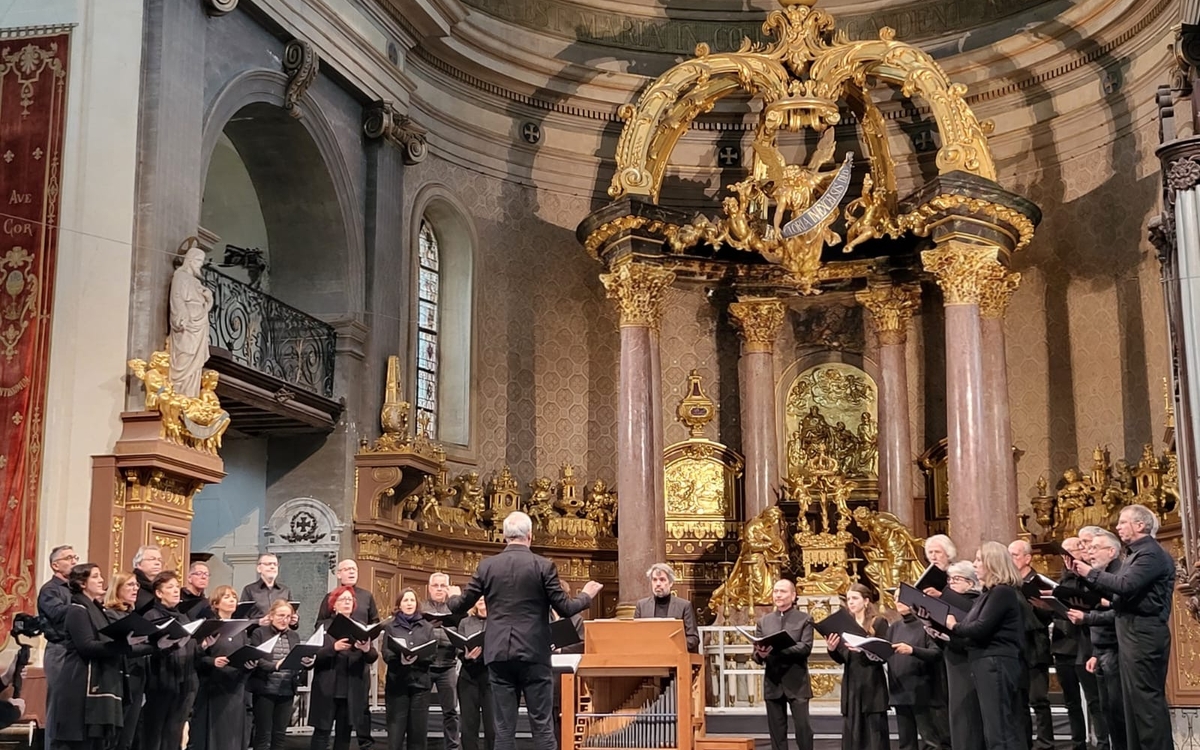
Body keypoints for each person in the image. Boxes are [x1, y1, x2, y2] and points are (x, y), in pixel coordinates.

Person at [445, 511, 602, 750]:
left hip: (498, 654)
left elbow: (459, 606)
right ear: (530, 535)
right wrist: (586, 595)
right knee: (541, 725)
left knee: (504, 729)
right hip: (534, 653)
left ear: (505, 536)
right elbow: (566, 607)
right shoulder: (543, 565)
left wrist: (452, 595)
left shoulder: (487, 566)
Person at [1067, 504, 1175, 750]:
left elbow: (1126, 585)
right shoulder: (1135, 555)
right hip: (1132, 633)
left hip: (1144, 633)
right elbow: (1120, 596)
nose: (1117, 527)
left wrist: (1090, 574)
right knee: (1133, 705)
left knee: (1146, 704)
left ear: (1140, 525)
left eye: (1123, 522)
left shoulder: (1151, 554)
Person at [945, 541, 1024, 750]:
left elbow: (980, 628)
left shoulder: (1002, 592)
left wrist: (953, 625)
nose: (975, 564)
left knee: (1000, 728)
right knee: (993, 727)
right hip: (985, 662)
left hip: (996, 662)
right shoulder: (987, 595)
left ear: (992, 563)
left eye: (979, 559)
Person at [51, 563, 133, 750]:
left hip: (97, 680)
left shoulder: (97, 610)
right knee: (80, 744)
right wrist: (122, 644)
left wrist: (154, 645)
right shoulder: (77, 609)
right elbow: (86, 646)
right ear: (81, 583)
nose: (101, 580)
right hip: (80, 685)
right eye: (95, 576)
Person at [1069, 530, 1125, 750]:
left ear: (1111, 551)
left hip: (1116, 649)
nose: (1089, 552)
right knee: (1107, 709)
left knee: (1117, 710)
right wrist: (1095, 652)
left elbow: (1120, 613)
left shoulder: (1118, 574)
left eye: (1094, 548)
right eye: (1087, 547)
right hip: (1102, 650)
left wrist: (1087, 617)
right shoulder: (1104, 575)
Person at [315, 560, 379, 750]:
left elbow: (372, 655)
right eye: (342, 600)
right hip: (328, 685)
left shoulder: (359, 625)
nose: (347, 603)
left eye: (349, 601)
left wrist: (366, 648)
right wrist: (333, 648)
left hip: (351, 685)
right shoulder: (324, 626)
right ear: (333, 605)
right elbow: (314, 655)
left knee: (344, 735)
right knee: (322, 733)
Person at [823, 583, 889, 750]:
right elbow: (842, 658)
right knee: (852, 731)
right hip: (852, 682)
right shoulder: (845, 625)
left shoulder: (878, 622)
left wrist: (864, 649)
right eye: (848, 599)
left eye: (854, 598)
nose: (850, 602)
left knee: (874, 732)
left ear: (866, 601)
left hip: (871, 682)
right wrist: (832, 649)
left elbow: (883, 655)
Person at [751, 579, 813, 750]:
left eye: (783, 591)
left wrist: (778, 649)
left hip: (797, 682)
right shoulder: (764, 621)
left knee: (803, 730)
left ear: (793, 596)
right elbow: (756, 654)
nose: (778, 595)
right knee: (777, 732)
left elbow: (805, 647)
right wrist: (760, 654)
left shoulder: (804, 619)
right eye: (775, 591)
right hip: (773, 682)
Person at [142, 571, 201, 750]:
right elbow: (147, 651)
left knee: (174, 732)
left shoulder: (183, 617)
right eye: (170, 588)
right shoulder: (151, 616)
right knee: (155, 733)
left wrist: (203, 644)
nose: (176, 591)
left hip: (185, 681)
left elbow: (191, 648)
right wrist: (169, 646)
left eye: (177, 587)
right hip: (161, 682)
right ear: (159, 593)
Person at [193, 585, 256, 750]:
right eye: (226, 597)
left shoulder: (240, 629)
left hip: (236, 686)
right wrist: (212, 662)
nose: (232, 600)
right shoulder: (210, 626)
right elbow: (196, 657)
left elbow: (244, 652)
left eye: (234, 597)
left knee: (234, 733)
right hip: (214, 686)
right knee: (215, 733)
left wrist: (250, 662)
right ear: (216, 603)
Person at [1008, 539, 1053, 750]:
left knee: (1039, 699)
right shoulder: (1008, 584)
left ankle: (1045, 743)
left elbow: (1049, 615)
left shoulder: (1039, 582)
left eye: (1015, 555)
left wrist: (1040, 606)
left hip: (1036, 646)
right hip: (1016, 648)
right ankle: (1023, 742)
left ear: (1027, 558)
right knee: (1019, 700)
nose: (1011, 560)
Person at [248, 600, 311, 750]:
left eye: (288, 617)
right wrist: (274, 666)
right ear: (271, 616)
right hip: (265, 688)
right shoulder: (259, 633)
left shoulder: (294, 636)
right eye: (281, 615)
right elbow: (257, 659)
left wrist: (307, 663)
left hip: (286, 688)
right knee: (263, 734)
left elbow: (297, 659)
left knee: (280, 734)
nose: (284, 620)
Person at [934, 561, 984, 750]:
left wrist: (950, 631)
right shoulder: (947, 604)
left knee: (968, 715)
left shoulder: (975, 603)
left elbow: (971, 635)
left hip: (968, 663)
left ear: (971, 583)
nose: (951, 583)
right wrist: (936, 634)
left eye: (957, 579)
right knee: (956, 714)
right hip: (952, 661)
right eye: (950, 579)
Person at [1049, 537, 1093, 750]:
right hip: (1063, 644)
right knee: (1071, 702)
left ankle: (1100, 741)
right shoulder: (1064, 578)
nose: (1065, 557)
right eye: (1063, 553)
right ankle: (1078, 744)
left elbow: (1088, 598)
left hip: (1085, 644)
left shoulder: (1089, 576)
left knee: (1094, 701)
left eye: (1070, 551)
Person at [103, 572, 155, 750]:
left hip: (138, 675)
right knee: (117, 736)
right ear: (117, 589)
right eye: (130, 586)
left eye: (136, 586)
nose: (135, 589)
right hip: (121, 677)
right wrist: (155, 646)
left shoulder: (133, 615)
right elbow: (121, 648)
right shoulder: (110, 615)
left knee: (129, 736)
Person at [382, 588, 437, 750]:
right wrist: (400, 659)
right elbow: (386, 653)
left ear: (416, 604)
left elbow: (432, 654)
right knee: (396, 734)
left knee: (418, 735)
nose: (409, 603)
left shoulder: (427, 627)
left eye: (412, 600)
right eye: (405, 600)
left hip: (420, 685)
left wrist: (417, 657)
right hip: (397, 685)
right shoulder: (391, 627)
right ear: (399, 604)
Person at [1072, 526, 1110, 750]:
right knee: (1095, 700)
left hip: (1106, 642)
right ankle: (1100, 743)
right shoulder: (1081, 573)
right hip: (1085, 644)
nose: (1083, 548)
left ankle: (1107, 743)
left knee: (1108, 702)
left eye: (1087, 543)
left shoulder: (1105, 573)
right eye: (1080, 544)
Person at [37, 544, 77, 747]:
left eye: (75, 557)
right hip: (59, 650)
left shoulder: (74, 589)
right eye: (68, 558)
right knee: (57, 703)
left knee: (73, 705)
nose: (74, 561)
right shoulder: (50, 590)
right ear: (55, 565)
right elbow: (58, 614)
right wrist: (81, 606)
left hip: (75, 651)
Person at [888, 599, 942, 750]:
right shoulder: (894, 627)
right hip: (900, 690)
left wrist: (912, 650)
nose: (897, 601)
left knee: (930, 741)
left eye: (902, 597)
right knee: (906, 743)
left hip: (922, 691)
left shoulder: (925, 625)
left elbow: (937, 653)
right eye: (895, 598)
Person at [169, 239, 214, 397]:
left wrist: (209, 299)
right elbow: (177, 297)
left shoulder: (195, 281)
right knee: (185, 354)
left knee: (196, 361)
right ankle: (179, 391)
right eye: (199, 261)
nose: (200, 265)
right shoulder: (180, 277)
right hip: (188, 322)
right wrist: (182, 315)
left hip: (200, 323)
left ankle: (190, 394)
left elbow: (204, 305)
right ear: (191, 260)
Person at [423, 573, 461, 750]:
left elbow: (464, 630)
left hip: (448, 664)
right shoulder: (421, 608)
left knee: (451, 711)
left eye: (443, 586)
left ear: (448, 588)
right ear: (429, 588)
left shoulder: (455, 609)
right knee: (420, 709)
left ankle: (452, 746)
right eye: (435, 585)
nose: (439, 589)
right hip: (425, 665)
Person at [633, 563, 699, 652]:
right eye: (654, 580)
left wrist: (671, 646)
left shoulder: (684, 606)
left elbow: (693, 638)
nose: (658, 584)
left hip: (675, 658)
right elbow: (635, 635)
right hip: (648, 656)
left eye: (662, 580)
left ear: (671, 583)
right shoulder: (642, 606)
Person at [457, 599, 494, 750]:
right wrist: (466, 656)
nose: (481, 600)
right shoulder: (465, 622)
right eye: (478, 597)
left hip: (491, 677)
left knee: (492, 727)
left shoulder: (498, 621)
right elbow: (459, 649)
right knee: (468, 727)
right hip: (469, 677)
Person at [316, 560, 379, 625]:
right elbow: (320, 623)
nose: (351, 572)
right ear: (339, 574)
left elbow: (375, 622)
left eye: (354, 569)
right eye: (347, 569)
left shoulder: (367, 596)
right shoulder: (331, 596)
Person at [241, 553, 296, 628]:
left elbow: (294, 617)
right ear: (259, 568)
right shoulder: (249, 590)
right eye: (268, 564)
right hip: (257, 635)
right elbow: (242, 618)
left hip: (281, 635)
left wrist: (294, 621)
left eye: (275, 564)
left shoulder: (285, 590)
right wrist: (258, 622)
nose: (272, 567)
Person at [131, 545, 164, 613]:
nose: (157, 563)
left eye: (159, 560)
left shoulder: (162, 586)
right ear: (139, 564)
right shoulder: (130, 584)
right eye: (152, 559)